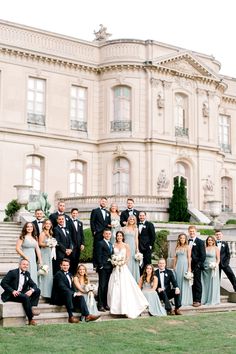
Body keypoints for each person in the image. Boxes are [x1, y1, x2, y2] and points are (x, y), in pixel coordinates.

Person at [107, 231, 148, 318]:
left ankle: (125, 308)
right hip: (115, 268)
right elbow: (111, 256)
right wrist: (115, 262)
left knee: (125, 287)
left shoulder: (126, 245)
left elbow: (128, 257)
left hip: (123, 267)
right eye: (117, 235)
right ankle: (116, 308)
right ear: (116, 237)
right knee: (114, 286)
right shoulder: (113, 245)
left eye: (120, 235)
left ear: (123, 236)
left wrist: (122, 263)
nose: (119, 237)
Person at [51, 258, 100, 323]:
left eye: (67, 265)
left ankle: (87, 316)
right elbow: (62, 287)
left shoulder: (70, 274)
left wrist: (77, 293)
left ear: (69, 266)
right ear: (61, 266)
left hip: (69, 295)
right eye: (64, 265)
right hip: (60, 296)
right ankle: (70, 317)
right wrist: (74, 293)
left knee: (81, 296)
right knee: (68, 293)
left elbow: (72, 287)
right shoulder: (58, 274)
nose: (65, 267)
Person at [1, 259, 41, 325]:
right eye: (24, 264)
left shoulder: (27, 274)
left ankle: (32, 307)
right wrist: (12, 291)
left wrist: (31, 290)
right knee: (25, 297)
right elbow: (3, 283)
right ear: (19, 265)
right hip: (11, 295)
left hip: (21, 293)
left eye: (27, 265)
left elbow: (34, 285)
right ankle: (30, 319)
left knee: (37, 290)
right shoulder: (12, 272)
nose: (25, 266)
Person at [90, 197, 111, 268]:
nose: (103, 202)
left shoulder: (108, 212)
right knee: (96, 248)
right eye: (102, 201)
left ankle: (103, 262)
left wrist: (109, 231)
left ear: (106, 203)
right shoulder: (95, 211)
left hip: (106, 233)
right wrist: (94, 231)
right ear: (100, 202)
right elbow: (92, 222)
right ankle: (95, 264)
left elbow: (108, 223)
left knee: (105, 248)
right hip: (98, 232)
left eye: (105, 201)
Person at [188, 225, 206, 307]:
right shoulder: (187, 241)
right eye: (190, 231)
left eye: (193, 231)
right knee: (190, 282)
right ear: (188, 232)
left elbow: (203, 255)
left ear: (195, 232)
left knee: (197, 282)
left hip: (197, 265)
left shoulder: (200, 242)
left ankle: (198, 300)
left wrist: (198, 265)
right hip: (188, 265)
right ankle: (192, 298)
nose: (192, 233)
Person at [173, 233, 193, 306]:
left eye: (183, 238)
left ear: (185, 239)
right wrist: (174, 266)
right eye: (181, 238)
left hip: (185, 265)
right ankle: (178, 300)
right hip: (178, 265)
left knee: (185, 282)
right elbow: (175, 258)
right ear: (179, 239)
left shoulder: (188, 247)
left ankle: (185, 300)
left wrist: (189, 268)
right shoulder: (177, 247)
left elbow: (189, 258)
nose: (182, 239)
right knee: (178, 281)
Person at [97, 229, 113, 312]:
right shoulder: (100, 243)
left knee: (107, 286)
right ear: (103, 234)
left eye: (109, 234)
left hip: (109, 267)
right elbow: (98, 255)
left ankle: (105, 304)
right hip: (103, 268)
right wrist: (100, 266)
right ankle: (100, 305)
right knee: (102, 286)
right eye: (106, 234)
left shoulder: (110, 244)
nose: (108, 235)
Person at [201, 236, 220, 305]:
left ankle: (212, 300)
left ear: (214, 241)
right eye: (209, 240)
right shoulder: (204, 248)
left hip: (213, 268)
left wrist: (216, 265)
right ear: (207, 241)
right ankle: (205, 299)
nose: (210, 241)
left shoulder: (216, 248)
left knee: (212, 283)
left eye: (211, 240)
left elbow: (218, 259)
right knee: (205, 284)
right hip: (205, 268)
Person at [38, 219, 54, 298]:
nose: (48, 225)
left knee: (48, 272)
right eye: (46, 223)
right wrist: (49, 244)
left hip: (48, 253)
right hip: (44, 253)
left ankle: (47, 292)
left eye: (49, 223)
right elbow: (40, 243)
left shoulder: (50, 233)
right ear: (44, 225)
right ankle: (41, 292)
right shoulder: (42, 233)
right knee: (44, 271)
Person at [122, 215, 140, 282]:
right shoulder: (123, 228)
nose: (131, 220)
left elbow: (136, 239)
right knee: (126, 260)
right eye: (130, 219)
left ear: (134, 221)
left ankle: (133, 279)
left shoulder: (136, 229)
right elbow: (121, 238)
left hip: (133, 246)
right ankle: (125, 279)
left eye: (133, 219)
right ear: (128, 220)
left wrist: (137, 248)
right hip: (125, 246)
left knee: (132, 261)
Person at [69, 208, 85, 275]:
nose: (75, 214)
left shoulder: (80, 223)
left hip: (78, 246)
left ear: (78, 214)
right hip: (72, 246)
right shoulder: (68, 222)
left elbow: (81, 234)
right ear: (71, 214)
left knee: (76, 261)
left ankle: (75, 275)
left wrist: (82, 243)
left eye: (76, 213)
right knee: (71, 261)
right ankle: (71, 275)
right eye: (73, 213)